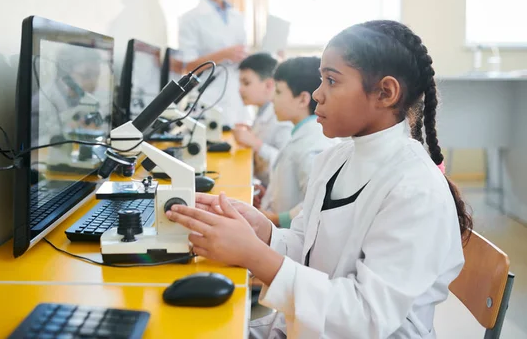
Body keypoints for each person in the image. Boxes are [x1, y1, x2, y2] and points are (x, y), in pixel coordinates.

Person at [166, 20, 472, 338]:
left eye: (331, 81)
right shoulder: (336, 159)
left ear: (385, 92)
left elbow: (366, 317)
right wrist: (262, 232)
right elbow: (308, 249)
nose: (317, 94)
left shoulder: (415, 189)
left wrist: (252, 255)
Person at [259, 57, 340, 229]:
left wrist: (275, 218)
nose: (272, 99)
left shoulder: (313, 145)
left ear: (303, 99)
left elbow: (319, 202)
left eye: (279, 92)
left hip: (290, 240)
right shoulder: (301, 133)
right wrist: (270, 196)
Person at [178, 0, 250, 127]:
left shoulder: (238, 17)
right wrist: (222, 55)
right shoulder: (190, 19)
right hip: (209, 98)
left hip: (236, 97)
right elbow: (188, 67)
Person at [233, 53, 292, 188]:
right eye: (240, 83)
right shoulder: (262, 112)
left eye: (246, 83)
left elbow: (287, 165)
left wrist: (255, 143)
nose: (240, 89)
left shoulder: (281, 118)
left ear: (268, 85)